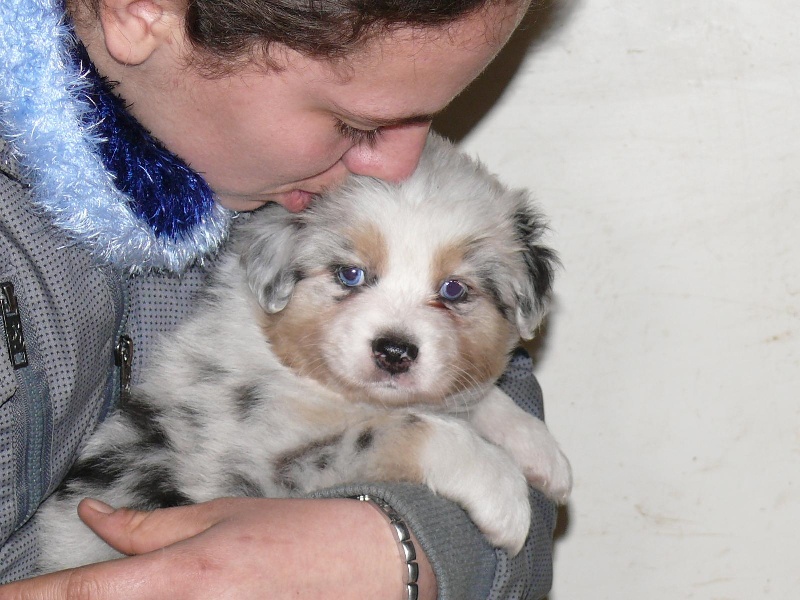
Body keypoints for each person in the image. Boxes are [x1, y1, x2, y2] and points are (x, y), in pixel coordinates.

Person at [0, 0, 558, 598]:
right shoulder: (284, 196)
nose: (398, 168)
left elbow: (519, 488)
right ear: (143, 11)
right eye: (355, 122)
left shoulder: (286, 189)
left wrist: (406, 546)